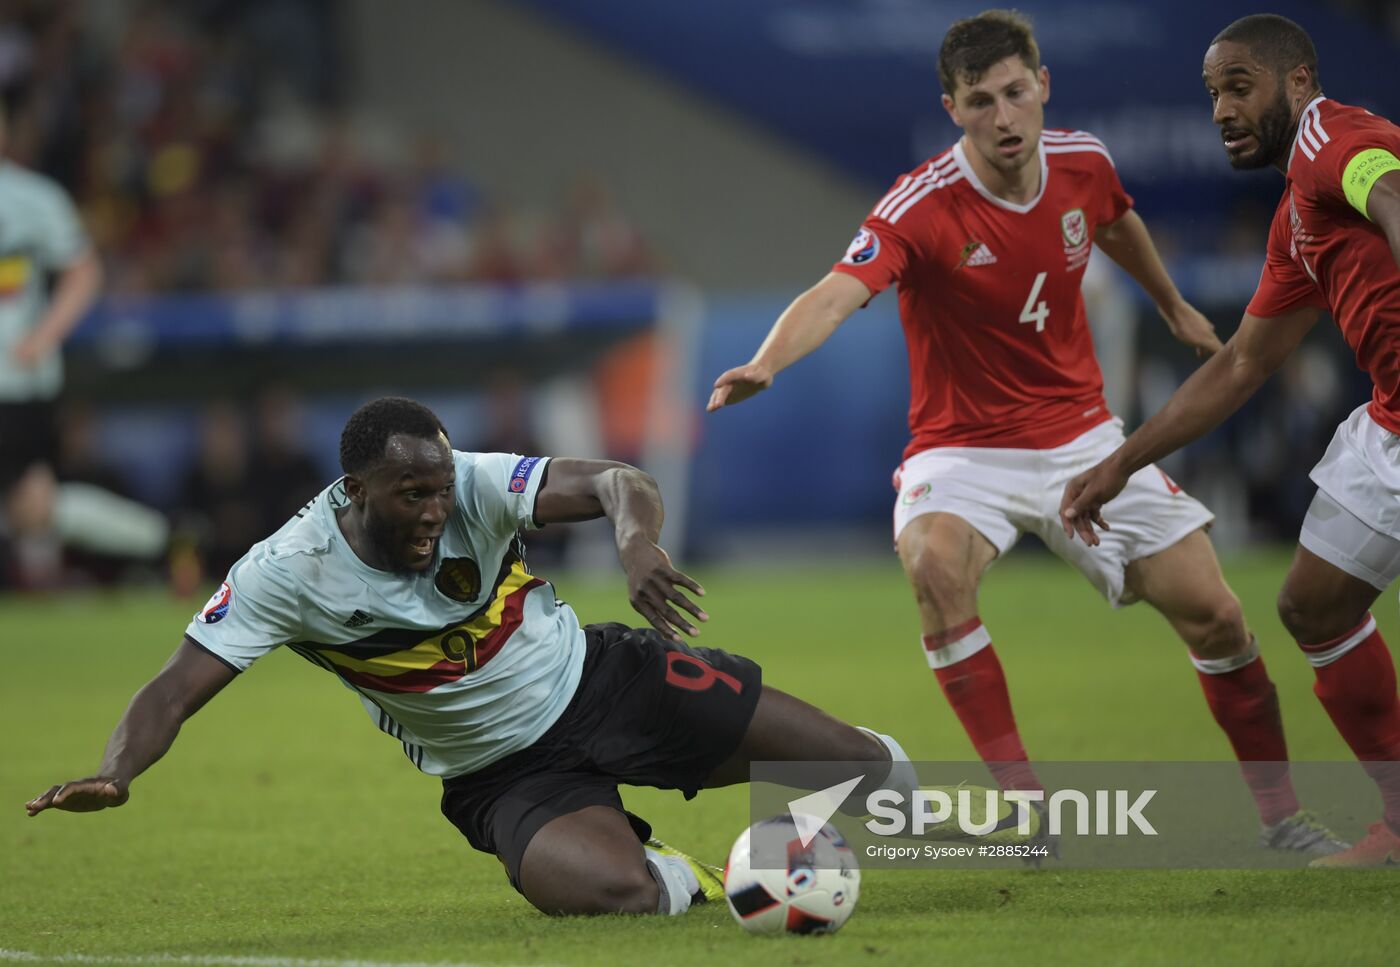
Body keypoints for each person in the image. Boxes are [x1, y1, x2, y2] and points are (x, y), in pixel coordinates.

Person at [707, 9, 1343, 855]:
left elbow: (1117, 221)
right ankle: (1025, 804)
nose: (1003, 117)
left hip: (1081, 434)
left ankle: (1282, 819)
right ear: (952, 108)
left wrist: (1173, 304)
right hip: (961, 448)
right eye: (980, 101)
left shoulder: (1083, 162)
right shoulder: (921, 205)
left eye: (1015, 93)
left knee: (1219, 615)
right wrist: (766, 361)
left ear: (1042, 87)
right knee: (934, 561)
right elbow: (834, 291)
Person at [24, 396, 925, 916]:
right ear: (356, 490)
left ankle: (971, 815)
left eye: (440, 488)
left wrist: (636, 541)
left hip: (607, 683)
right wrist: (117, 769)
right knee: (617, 896)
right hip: (500, 773)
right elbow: (176, 685)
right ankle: (699, 873)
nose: (433, 509)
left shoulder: (477, 484)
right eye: (411, 493)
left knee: (859, 769)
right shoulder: (286, 572)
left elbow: (620, 479)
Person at [1061, 13, 1400, 868]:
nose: (1220, 109)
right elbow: (1243, 363)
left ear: (1297, 81)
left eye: (1239, 86)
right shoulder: (1295, 220)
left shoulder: (1334, 137)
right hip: (1392, 423)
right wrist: (1120, 462)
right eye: (1212, 92)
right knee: (1314, 605)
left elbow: (1392, 190)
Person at [0, 100, 168, 588]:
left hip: (16, 383)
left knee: (33, 507)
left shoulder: (32, 198)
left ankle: (167, 540)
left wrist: (43, 337)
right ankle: (168, 538)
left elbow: (83, 271)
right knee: (33, 506)